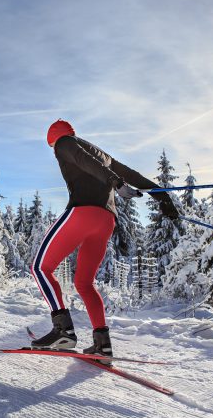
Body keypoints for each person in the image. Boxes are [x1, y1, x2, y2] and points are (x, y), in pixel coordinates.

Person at [30, 119, 179, 362]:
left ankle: (62, 331)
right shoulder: (101, 153)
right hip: (106, 221)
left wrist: (116, 183)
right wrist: (161, 196)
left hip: (82, 213)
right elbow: (131, 174)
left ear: (53, 139)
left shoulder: (64, 144)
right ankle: (102, 344)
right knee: (84, 283)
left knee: (40, 268)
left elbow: (82, 161)